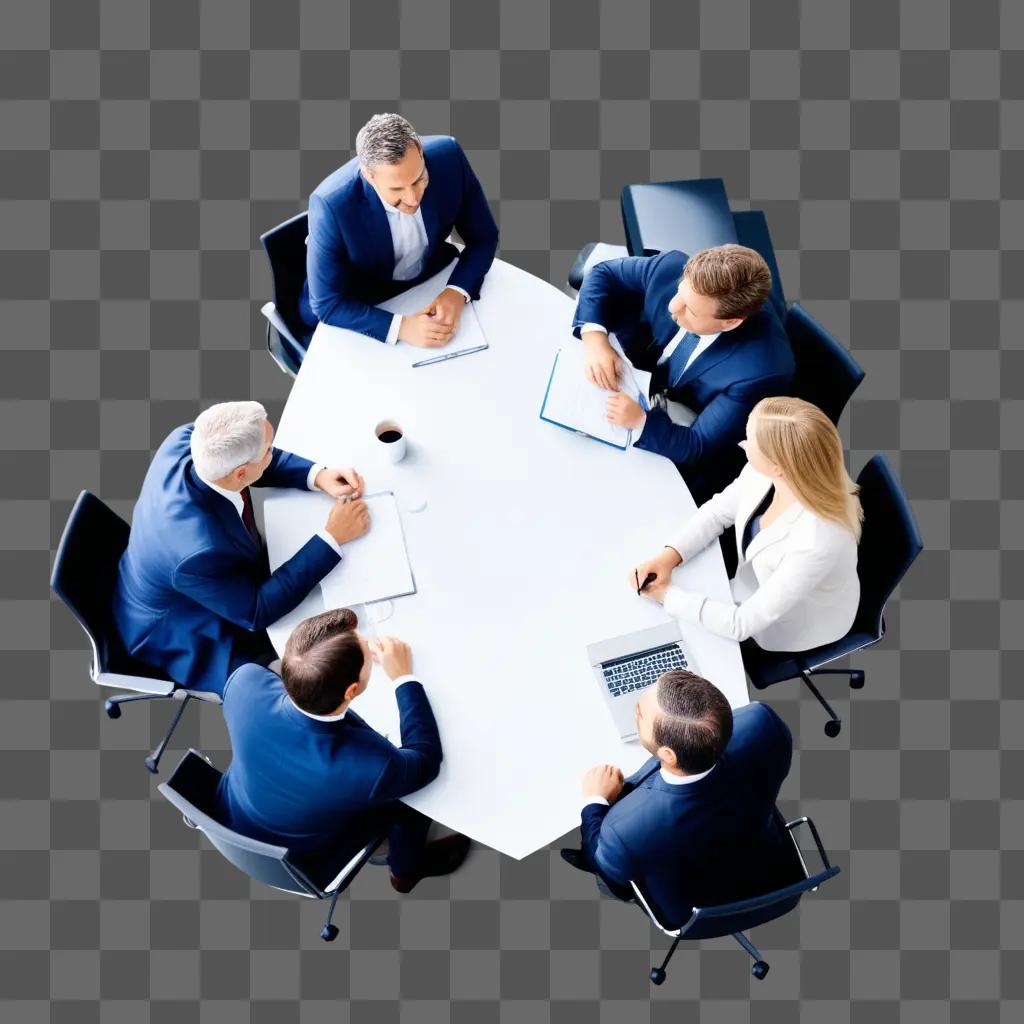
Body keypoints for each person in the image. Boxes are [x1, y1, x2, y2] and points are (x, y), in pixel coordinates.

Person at [113, 401, 370, 696]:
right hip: (176, 629)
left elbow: (255, 462)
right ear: (240, 474)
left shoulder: (191, 440)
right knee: (297, 677)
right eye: (270, 450)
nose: (273, 453)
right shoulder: (197, 552)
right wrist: (332, 538)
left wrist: (316, 475)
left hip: (170, 570)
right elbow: (256, 612)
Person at [216, 608, 470, 892]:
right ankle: (405, 870)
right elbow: (426, 758)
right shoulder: (373, 766)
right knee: (412, 799)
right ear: (351, 691)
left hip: (234, 812)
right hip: (303, 853)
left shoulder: (243, 681)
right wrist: (402, 677)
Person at [561, 671, 796, 928]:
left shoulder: (624, 828)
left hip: (697, 914)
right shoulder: (763, 724)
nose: (635, 709)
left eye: (640, 714)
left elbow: (610, 872)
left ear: (668, 755)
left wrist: (595, 800)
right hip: (776, 872)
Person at [631, 396, 862, 653]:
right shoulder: (766, 472)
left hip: (792, 624)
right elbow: (717, 513)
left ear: (779, 468)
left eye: (751, 441)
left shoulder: (818, 540)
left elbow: (741, 625)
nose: (743, 444)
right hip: (750, 584)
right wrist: (669, 556)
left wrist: (666, 595)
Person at [571, 244, 794, 501]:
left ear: (730, 322)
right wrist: (595, 339)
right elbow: (602, 273)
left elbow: (698, 446)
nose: (673, 307)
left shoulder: (760, 372)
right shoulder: (673, 267)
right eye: (680, 292)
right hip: (645, 369)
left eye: (690, 309)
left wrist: (641, 422)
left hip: (687, 419)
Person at [301, 112, 499, 348]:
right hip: (363, 302)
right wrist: (402, 327)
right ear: (369, 176)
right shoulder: (330, 205)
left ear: (421, 152)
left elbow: (484, 237)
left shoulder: (449, 158)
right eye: (396, 189)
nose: (413, 198)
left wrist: (456, 292)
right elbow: (327, 304)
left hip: (430, 276)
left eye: (418, 179)